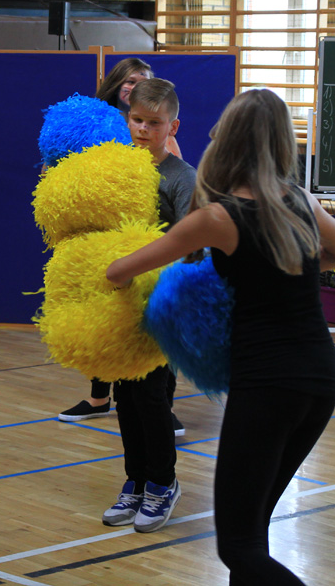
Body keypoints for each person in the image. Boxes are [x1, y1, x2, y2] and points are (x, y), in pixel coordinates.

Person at [107, 89, 335, 584]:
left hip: (267, 385)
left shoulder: (217, 217)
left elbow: (120, 271)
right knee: (253, 531)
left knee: (237, 547)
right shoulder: (301, 201)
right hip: (321, 378)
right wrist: (288, 268)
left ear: (227, 139)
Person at [60, 60, 183, 433]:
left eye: (144, 83)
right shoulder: (100, 130)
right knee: (106, 324)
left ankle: (163, 410)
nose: (143, 127)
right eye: (130, 82)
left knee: (152, 352)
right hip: (112, 254)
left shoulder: (172, 164)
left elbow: (180, 202)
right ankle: (101, 398)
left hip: (153, 259)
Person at [98, 78, 194, 534]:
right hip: (122, 302)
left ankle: (162, 482)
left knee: (154, 396)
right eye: (136, 120)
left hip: (163, 303)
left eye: (154, 123)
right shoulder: (116, 169)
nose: (142, 129)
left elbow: (191, 243)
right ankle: (135, 481)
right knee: (126, 396)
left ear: (172, 126)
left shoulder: (182, 177)